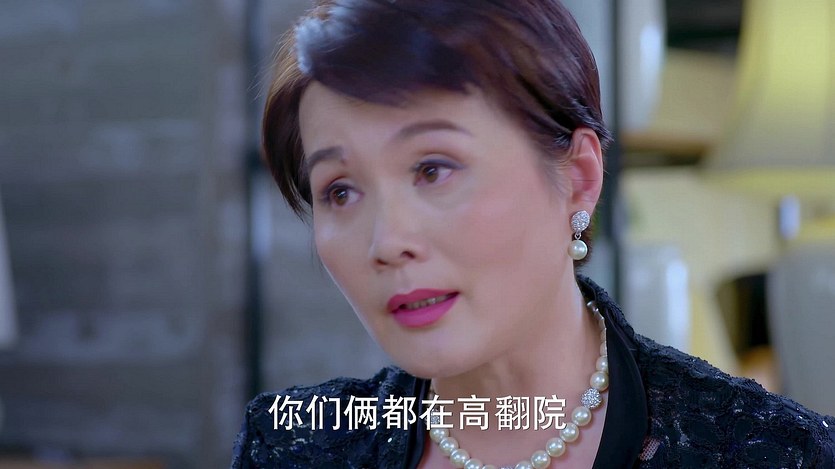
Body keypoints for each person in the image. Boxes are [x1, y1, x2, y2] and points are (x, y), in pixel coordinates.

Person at [231, 1, 835, 467]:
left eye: (433, 169)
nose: (386, 242)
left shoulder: (775, 452)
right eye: (340, 191)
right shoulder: (293, 444)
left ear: (578, 178)